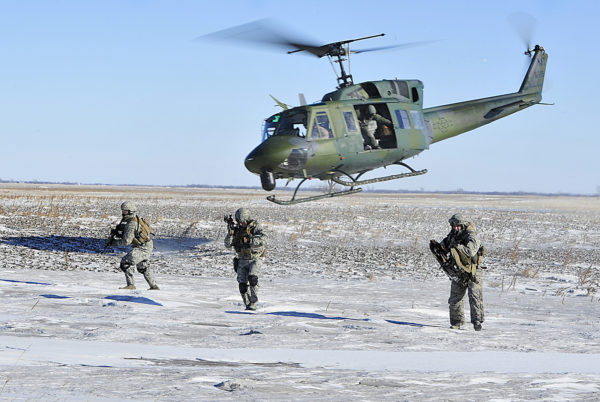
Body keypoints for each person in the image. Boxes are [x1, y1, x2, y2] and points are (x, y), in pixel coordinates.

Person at [430, 214, 484, 331]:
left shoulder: (472, 236)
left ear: (463, 226)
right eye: (454, 226)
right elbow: (444, 246)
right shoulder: (452, 235)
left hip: (473, 271)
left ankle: (477, 321)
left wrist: (457, 247)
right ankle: (456, 323)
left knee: (475, 296)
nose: (455, 228)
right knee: (455, 298)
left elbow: (469, 251)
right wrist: (437, 248)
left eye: (458, 226)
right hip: (458, 271)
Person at [108, 201, 159, 290]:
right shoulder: (134, 219)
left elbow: (127, 241)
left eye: (125, 211)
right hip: (145, 246)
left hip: (142, 248)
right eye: (123, 210)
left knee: (125, 263)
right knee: (142, 267)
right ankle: (154, 286)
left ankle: (131, 285)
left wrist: (113, 243)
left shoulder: (131, 224)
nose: (123, 213)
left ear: (130, 211)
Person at [224, 208, 267, 310]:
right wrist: (230, 234)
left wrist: (250, 240)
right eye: (239, 221)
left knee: (253, 278)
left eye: (243, 221)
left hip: (255, 258)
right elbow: (227, 245)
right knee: (242, 285)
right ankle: (247, 304)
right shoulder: (235, 230)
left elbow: (265, 238)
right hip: (242, 259)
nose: (241, 223)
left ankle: (253, 301)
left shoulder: (255, 227)